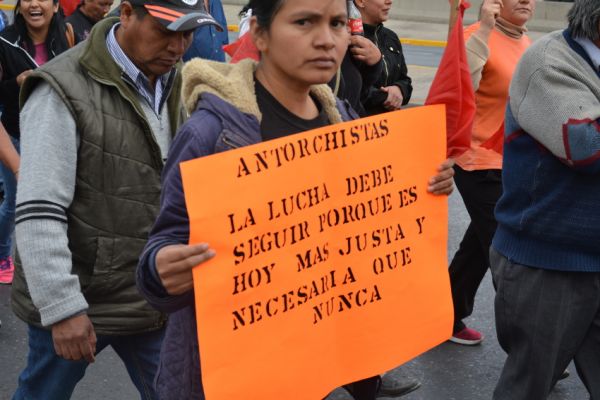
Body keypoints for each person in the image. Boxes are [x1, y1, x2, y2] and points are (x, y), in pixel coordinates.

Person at [136, 0, 454, 399]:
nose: (326, 40)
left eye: (337, 23)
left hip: (317, 363)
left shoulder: (343, 120)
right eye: (304, 22)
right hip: (237, 373)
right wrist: (163, 270)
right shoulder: (211, 135)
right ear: (260, 34)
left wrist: (423, 187)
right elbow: (162, 254)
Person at [11, 1, 222, 398]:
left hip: (152, 297)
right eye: (165, 31)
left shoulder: (182, 81)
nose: (178, 46)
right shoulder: (61, 88)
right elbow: (39, 208)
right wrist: (62, 308)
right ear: (126, 13)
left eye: (188, 34)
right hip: (81, 295)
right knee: (42, 392)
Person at [490, 0, 600, 398]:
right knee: (528, 384)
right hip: (547, 261)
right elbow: (585, 147)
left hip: (592, 255)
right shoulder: (549, 62)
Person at [447, 0, 534, 345]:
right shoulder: (475, 35)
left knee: (478, 246)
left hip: (513, 164)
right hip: (478, 161)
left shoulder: (526, 43)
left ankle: (446, 315)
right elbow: (461, 87)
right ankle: (531, 347)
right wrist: (483, 29)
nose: (526, 0)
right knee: (509, 256)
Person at [0, 0, 74, 286]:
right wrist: (16, 83)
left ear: (55, 6)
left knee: (57, 199)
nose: (34, 4)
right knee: (17, 201)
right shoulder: (6, 42)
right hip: (15, 134)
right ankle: (4, 253)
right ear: (19, 7)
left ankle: (49, 259)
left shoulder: (66, 36)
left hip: (55, 132)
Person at [354, 0, 412, 115]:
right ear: (360, 1)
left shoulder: (391, 37)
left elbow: (405, 81)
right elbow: (351, 90)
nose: (389, 1)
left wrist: (399, 89)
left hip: (390, 125)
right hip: (360, 125)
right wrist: (386, 97)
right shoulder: (350, 39)